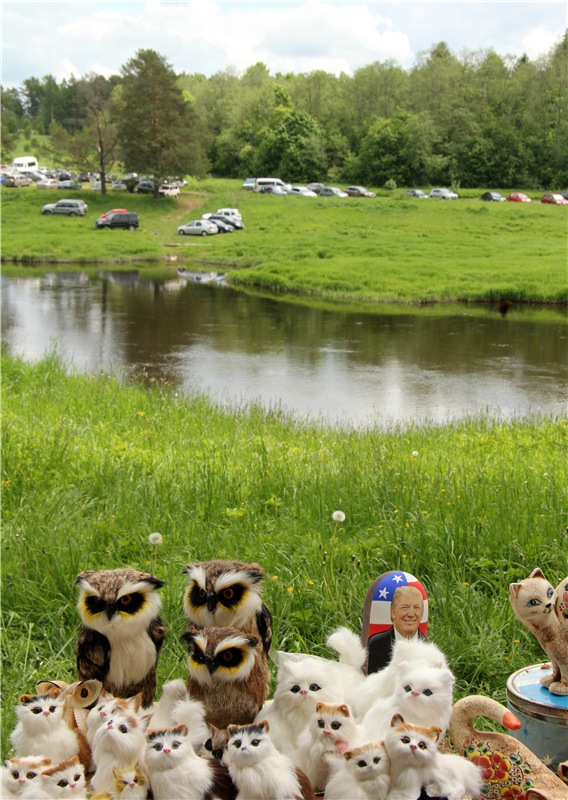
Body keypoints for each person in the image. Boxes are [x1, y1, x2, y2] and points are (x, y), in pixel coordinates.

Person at [367, 585, 426, 673]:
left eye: (416, 608)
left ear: (422, 614)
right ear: (393, 612)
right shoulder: (377, 644)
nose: (411, 614)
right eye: (405, 608)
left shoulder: (427, 647)